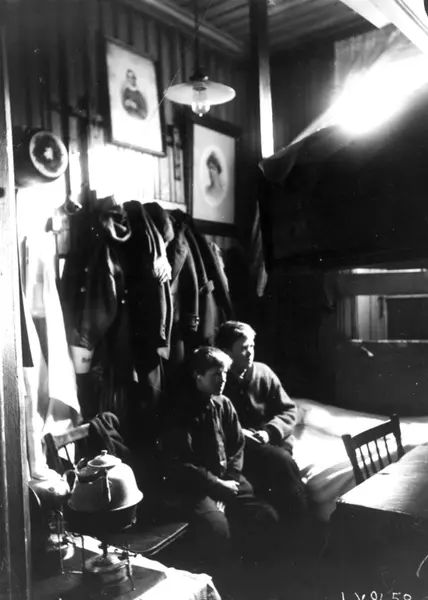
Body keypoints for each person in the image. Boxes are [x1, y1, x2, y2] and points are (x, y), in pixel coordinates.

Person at [161, 346, 279, 577]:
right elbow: (182, 464)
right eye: (216, 374)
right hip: (195, 487)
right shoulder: (181, 411)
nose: (223, 379)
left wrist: (230, 480)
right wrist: (216, 485)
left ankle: (255, 577)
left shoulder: (223, 404)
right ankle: (221, 581)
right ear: (198, 376)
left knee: (266, 516)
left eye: (224, 373)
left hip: (227, 480)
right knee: (218, 530)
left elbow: (237, 446)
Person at [216, 321, 307, 524]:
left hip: (269, 441)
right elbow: (216, 421)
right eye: (243, 348)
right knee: (278, 466)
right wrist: (240, 433)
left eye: (252, 346)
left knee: (282, 464)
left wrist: (269, 432)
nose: (250, 352)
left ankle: (300, 529)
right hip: (240, 450)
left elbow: (288, 410)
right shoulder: (219, 380)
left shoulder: (263, 372)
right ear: (226, 352)